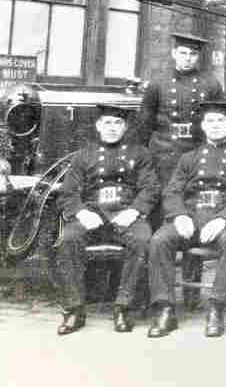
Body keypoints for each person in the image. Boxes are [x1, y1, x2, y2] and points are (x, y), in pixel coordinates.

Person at [147, 100, 226, 338]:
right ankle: (165, 309)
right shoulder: (189, 157)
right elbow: (172, 191)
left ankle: (216, 307)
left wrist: (223, 219)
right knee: (159, 240)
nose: (215, 126)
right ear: (203, 126)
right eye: (210, 121)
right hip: (191, 217)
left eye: (221, 121)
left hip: (225, 218)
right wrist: (179, 216)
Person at [55, 104, 160, 335]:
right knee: (68, 239)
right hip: (93, 213)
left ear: (125, 127)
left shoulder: (140, 153)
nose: (112, 128)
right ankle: (74, 309)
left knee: (143, 241)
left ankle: (123, 306)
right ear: (98, 125)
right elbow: (68, 191)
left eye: (118, 123)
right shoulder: (84, 155)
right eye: (108, 123)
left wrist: (133, 211)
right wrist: (82, 212)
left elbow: (150, 188)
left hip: (126, 212)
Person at [137, 32, 223, 192]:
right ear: (174, 53)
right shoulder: (158, 83)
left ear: (198, 57)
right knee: (164, 194)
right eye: (183, 53)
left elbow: (220, 120)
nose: (188, 58)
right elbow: (145, 122)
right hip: (165, 151)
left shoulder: (211, 84)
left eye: (193, 54)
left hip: (197, 150)